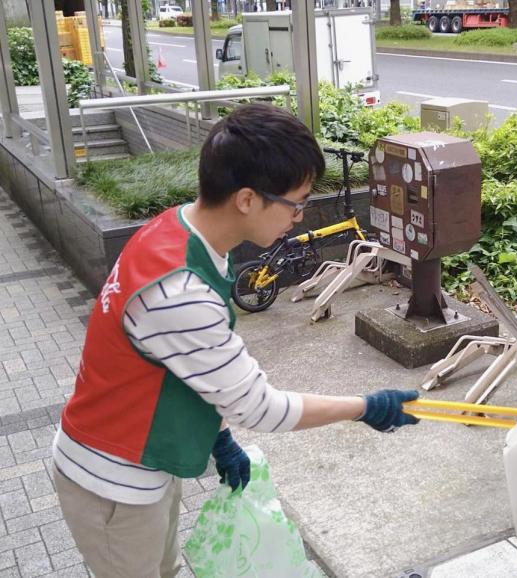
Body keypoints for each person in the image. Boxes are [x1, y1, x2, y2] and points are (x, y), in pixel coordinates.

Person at [52, 103, 419, 578]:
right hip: (111, 484)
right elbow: (261, 408)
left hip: (142, 463)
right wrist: (365, 407)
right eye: (296, 203)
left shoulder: (179, 231)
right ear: (247, 199)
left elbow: (190, 366)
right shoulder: (180, 291)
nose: (299, 218)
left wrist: (219, 437)